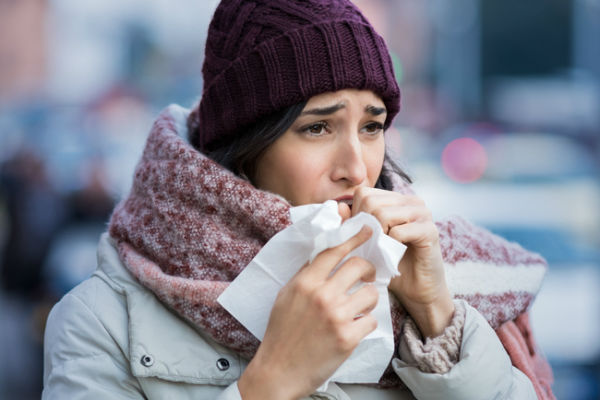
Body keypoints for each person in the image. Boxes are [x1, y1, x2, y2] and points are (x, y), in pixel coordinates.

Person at [42, 1, 555, 399]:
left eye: (372, 126)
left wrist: (437, 314)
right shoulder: (103, 321)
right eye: (317, 127)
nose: (357, 167)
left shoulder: (437, 273)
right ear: (246, 144)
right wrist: (269, 381)